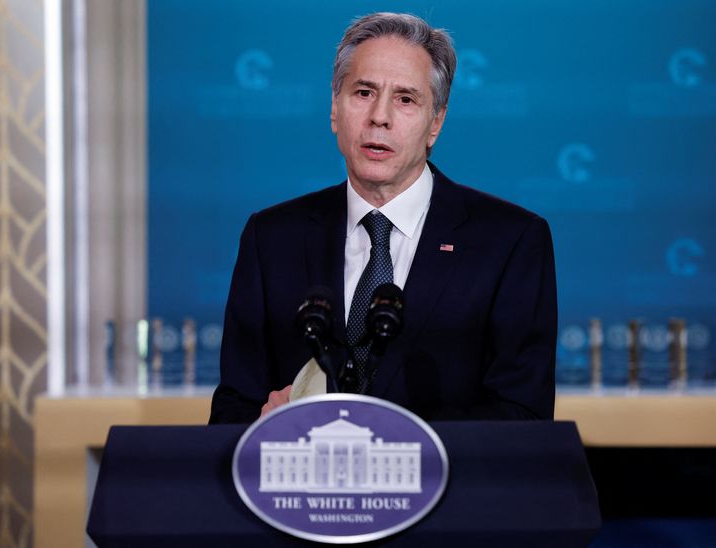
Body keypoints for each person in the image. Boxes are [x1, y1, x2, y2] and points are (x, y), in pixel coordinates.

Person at [209, 12, 557, 424]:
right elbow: (235, 409)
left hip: (449, 486)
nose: (380, 116)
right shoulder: (271, 238)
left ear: (436, 123)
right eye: (363, 93)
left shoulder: (510, 242)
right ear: (335, 109)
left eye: (406, 99)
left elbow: (522, 416)